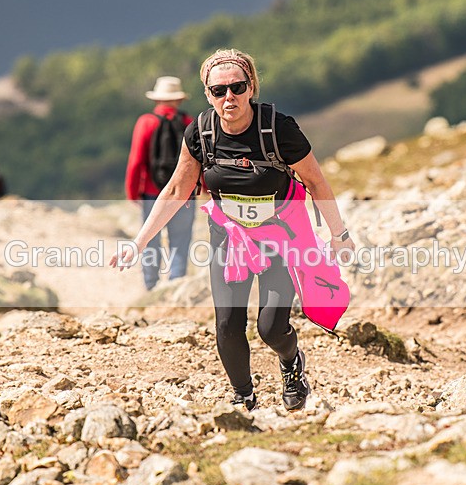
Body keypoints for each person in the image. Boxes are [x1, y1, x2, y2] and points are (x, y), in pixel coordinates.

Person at [111, 49, 356, 412]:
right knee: (227, 324)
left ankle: (291, 364)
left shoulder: (278, 128)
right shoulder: (200, 132)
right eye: (218, 90)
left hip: (280, 236)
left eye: (237, 87)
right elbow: (178, 189)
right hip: (229, 238)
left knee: (271, 328)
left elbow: (316, 182)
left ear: (251, 87)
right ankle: (244, 398)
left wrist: (339, 236)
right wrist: (139, 242)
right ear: (207, 94)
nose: (229, 97)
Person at [124, 76, 195, 290]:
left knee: (149, 242)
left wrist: (133, 192)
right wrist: (201, 187)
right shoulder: (189, 123)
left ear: (157, 100)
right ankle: (175, 288)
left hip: (152, 192)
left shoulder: (146, 122)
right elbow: (196, 162)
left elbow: (136, 161)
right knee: (180, 242)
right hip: (184, 194)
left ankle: (151, 287)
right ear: (179, 100)